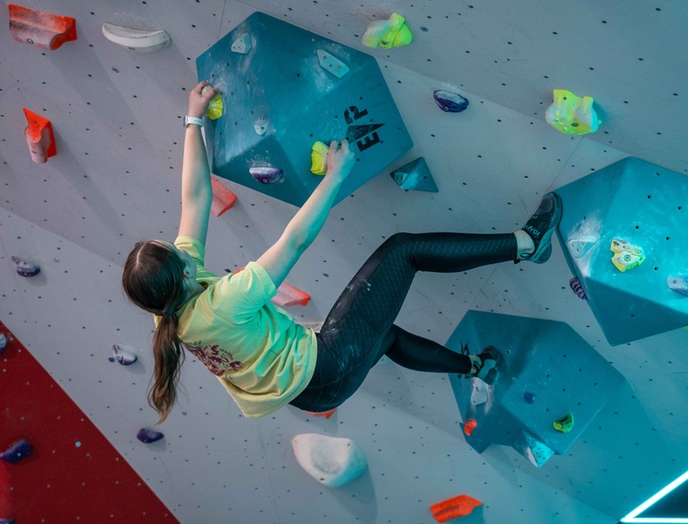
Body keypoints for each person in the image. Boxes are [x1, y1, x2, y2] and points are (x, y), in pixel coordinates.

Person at [122, 82, 562, 424]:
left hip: (309, 392)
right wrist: (334, 177)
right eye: (175, 251)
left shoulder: (168, 310)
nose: (180, 246)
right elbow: (293, 242)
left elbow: (195, 199)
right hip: (325, 365)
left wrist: (193, 120)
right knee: (404, 251)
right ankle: (527, 244)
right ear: (183, 274)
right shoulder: (223, 304)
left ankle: (477, 367)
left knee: (384, 335)